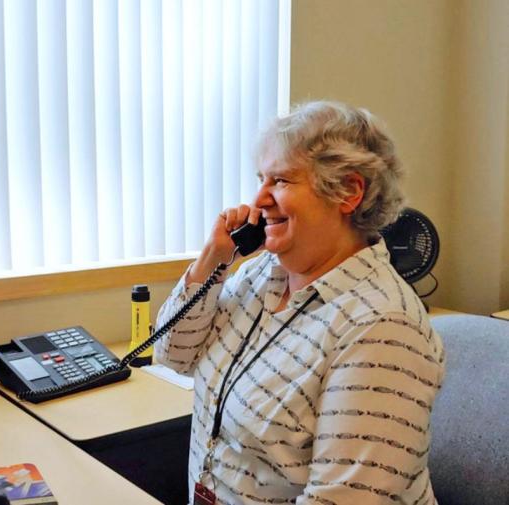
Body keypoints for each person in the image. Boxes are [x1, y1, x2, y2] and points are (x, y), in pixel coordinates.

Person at [155, 101, 445, 504]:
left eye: (281, 181)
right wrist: (212, 261)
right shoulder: (263, 274)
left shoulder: (383, 328)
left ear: (348, 192)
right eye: (261, 178)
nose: (259, 198)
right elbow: (172, 355)